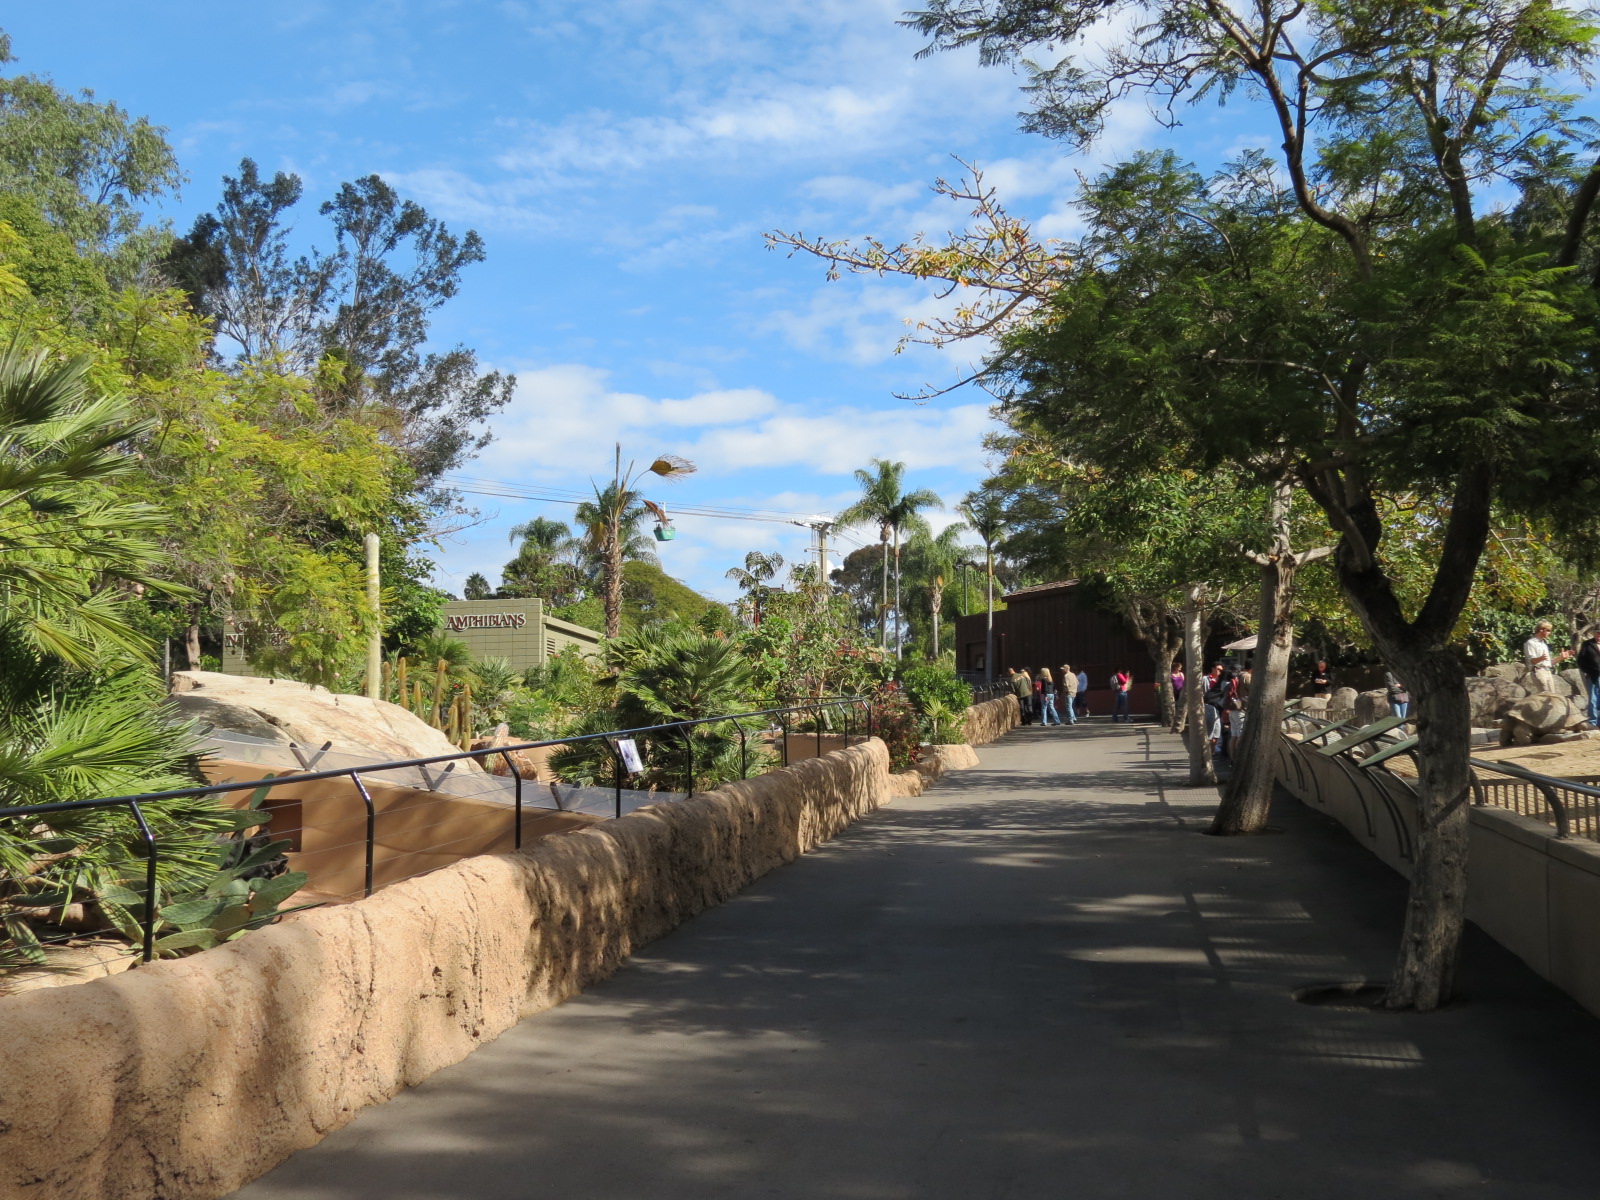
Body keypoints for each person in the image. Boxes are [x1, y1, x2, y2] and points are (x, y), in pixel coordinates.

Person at [1524, 620, 1570, 693]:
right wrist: (1541, 658)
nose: (1549, 633)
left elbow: (1549, 663)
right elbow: (1532, 661)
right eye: (1548, 630)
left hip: (1548, 671)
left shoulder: (1543, 644)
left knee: (1552, 696)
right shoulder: (1531, 643)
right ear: (1541, 630)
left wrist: (1561, 657)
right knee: (1546, 696)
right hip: (1539, 671)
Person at [1578, 628, 1600, 727]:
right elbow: (1580, 661)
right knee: (1593, 699)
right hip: (1593, 675)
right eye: (1598, 633)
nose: (1599, 635)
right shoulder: (1587, 644)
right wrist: (1588, 672)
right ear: (1594, 633)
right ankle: (1593, 722)